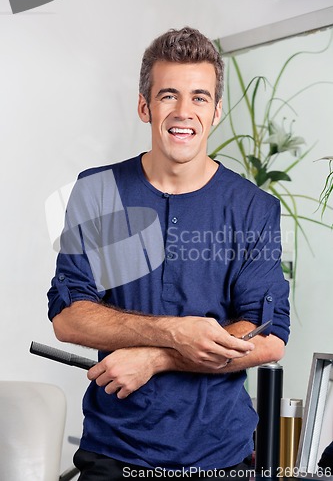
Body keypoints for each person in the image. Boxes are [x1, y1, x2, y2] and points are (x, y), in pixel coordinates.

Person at [47, 27, 290, 480]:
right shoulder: (97, 192)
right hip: (113, 454)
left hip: (222, 456)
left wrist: (157, 356)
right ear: (145, 106)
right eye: (168, 96)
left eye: (199, 97)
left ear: (216, 111)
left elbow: (268, 333)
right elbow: (68, 315)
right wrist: (175, 331)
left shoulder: (253, 207)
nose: (184, 112)